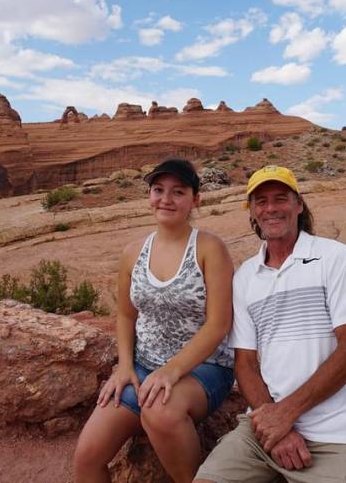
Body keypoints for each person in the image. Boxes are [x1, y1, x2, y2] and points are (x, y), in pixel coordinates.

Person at [194, 165, 346, 483]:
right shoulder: (245, 278)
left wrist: (286, 414)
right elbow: (246, 364)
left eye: (280, 198)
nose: (271, 208)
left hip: (340, 437)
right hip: (264, 434)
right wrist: (276, 426)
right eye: (261, 201)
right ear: (252, 212)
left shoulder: (334, 257)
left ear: (298, 204)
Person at [73, 158, 235, 483]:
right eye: (158, 190)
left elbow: (219, 324)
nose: (166, 199)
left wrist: (171, 370)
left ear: (195, 200)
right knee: (87, 458)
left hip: (203, 368)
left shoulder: (210, 248)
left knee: (160, 411)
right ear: (148, 195)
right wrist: (125, 366)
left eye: (178, 192)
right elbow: (125, 314)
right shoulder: (133, 252)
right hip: (144, 368)